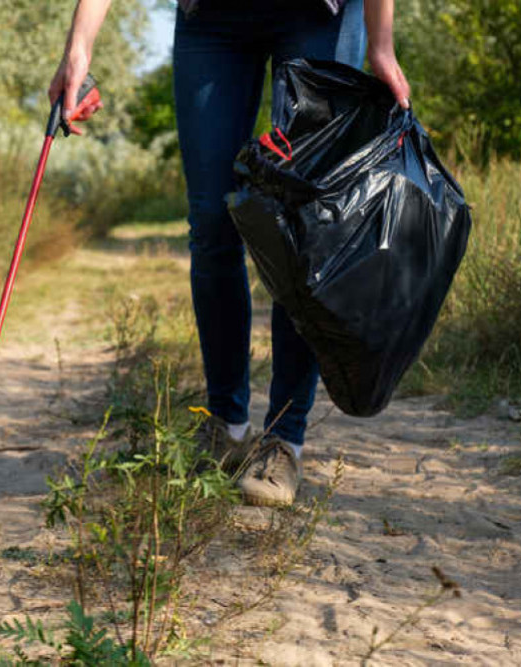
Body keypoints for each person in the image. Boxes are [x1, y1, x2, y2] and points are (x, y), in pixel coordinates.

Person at [49, 0, 410, 507]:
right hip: (211, 20)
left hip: (319, 16)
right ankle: (227, 425)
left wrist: (380, 41)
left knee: (304, 228)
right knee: (213, 221)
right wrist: (78, 47)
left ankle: (285, 439)